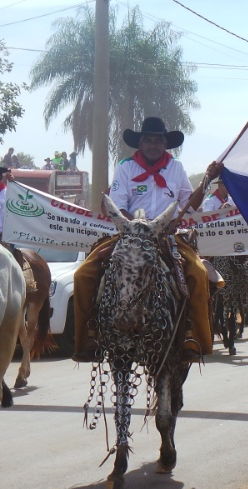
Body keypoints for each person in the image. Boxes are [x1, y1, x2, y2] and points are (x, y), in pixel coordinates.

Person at [73, 116, 212, 363]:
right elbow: (117, 205)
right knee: (83, 274)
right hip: (129, 235)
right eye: (148, 139)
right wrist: (136, 227)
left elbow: (188, 205)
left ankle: (194, 336)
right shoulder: (125, 167)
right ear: (140, 143)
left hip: (167, 236)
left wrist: (207, 181)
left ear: (165, 144)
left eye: (158, 140)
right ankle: (89, 337)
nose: (153, 144)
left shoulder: (176, 168)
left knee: (199, 274)